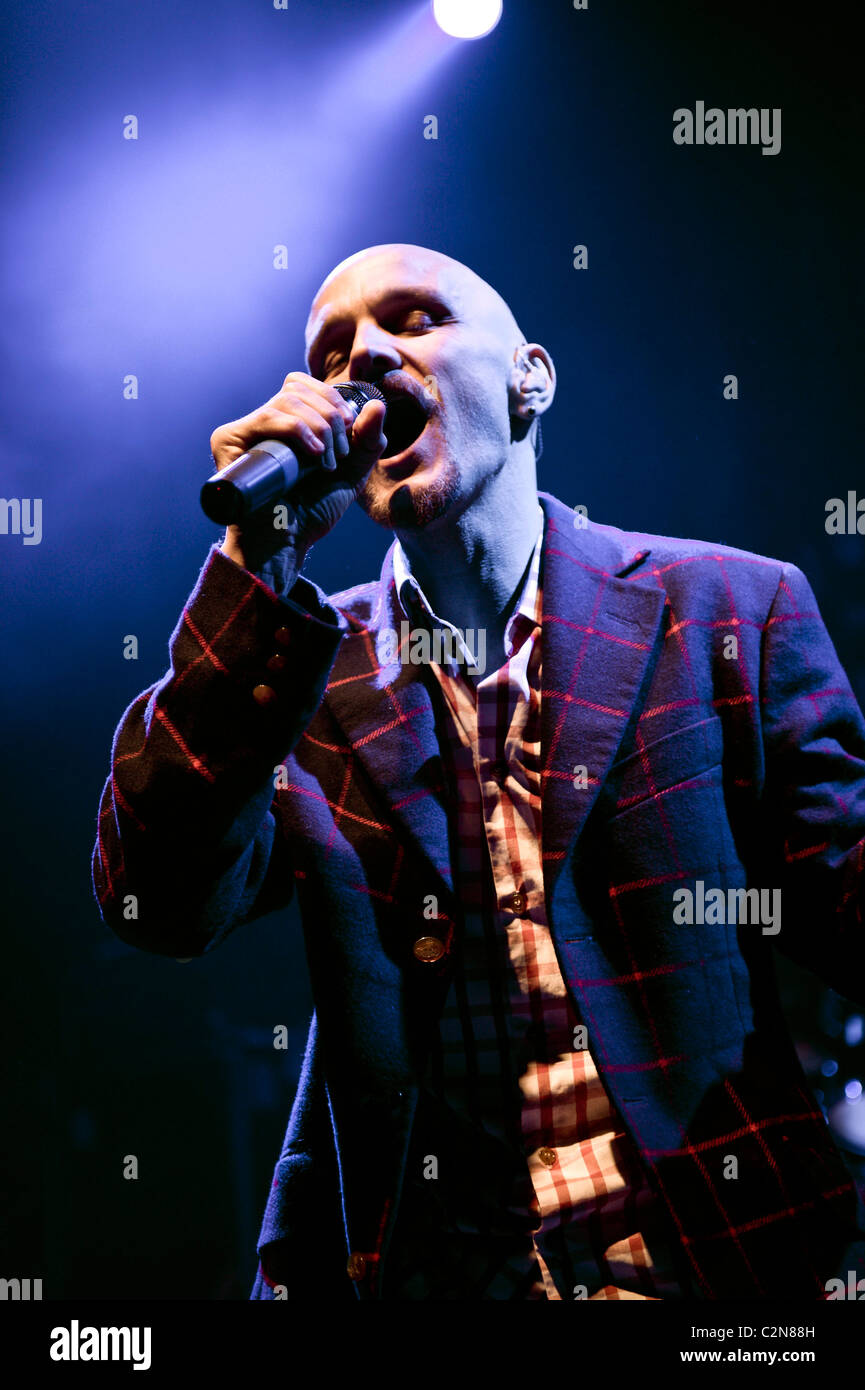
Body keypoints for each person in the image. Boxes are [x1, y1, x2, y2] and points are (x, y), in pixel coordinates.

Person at [92, 243, 865, 1301]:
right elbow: (155, 898)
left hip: (723, 1275)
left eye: (412, 320)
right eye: (332, 351)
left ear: (528, 377)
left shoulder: (729, 609)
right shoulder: (301, 672)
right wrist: (248, 567)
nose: (360, 355)